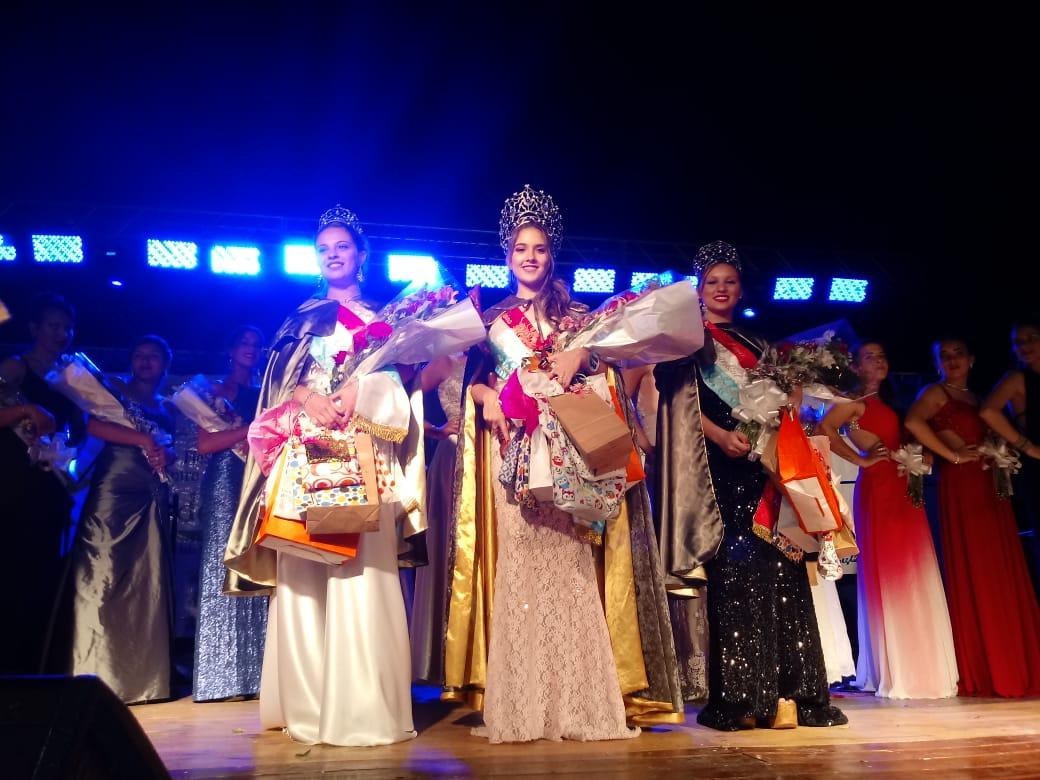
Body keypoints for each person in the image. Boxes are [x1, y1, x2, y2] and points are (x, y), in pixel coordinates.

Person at [443, 185, 683, 743]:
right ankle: (524, 703)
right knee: (519, 573)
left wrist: (581, 356)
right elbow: (471, 385)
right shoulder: (490, 319)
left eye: (540, 249)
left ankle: (577, 700)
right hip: (513, 457)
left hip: (568, 458)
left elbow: (606, 377)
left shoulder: (578, 318)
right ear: (507, 255)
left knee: (573, 570)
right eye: (520, 248)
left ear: (552, 255)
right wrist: (487, 398)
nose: (530, 257)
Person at [223, 205, 427, 746]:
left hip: (363, 451)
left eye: (342, 246)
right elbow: (276, 386)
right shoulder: (299, 319)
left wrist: (364, 389)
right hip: (306, 453)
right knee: (305, 574)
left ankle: (362, 707)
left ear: (361, 254)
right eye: (324, 248)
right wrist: (304, 396)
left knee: (361, 573)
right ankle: (308, 705)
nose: (333, 255)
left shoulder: (389, 318)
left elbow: (403, 392)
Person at [655, 241, 845, 730]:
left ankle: (794, 694)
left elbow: (782, 404)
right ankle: (740, 698)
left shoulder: (760, 345)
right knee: (736, 575)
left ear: (741, 289)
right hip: (719, 469)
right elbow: (676, 408)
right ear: (698, 291)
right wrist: (721, 436)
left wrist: (785, 419)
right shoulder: (686, 343)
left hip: (767, 471)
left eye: (730, 281)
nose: (721, 289)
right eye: (712, 282)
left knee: (783, 570)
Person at [818, 340, 958, 699]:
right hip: (879, 489)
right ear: (855, 365)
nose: (879, 361)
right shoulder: (854, 402)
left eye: (882, 355)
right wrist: (862, 460)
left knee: (915, 570)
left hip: (904, 488)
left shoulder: (890, 401)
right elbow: (824, 430)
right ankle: (896, 667)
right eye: (870, 357)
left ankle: (920, 663)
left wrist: (921, 457)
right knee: (892, 571)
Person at [905, 337, 1040, 696]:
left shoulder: (979, 398)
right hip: (963, 486)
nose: (952, 360)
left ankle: (1011, 662)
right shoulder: (936, 392)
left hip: (989, 488)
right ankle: (990, 667)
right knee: (979, 566)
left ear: (972, 359)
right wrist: (951, 455)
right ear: (936, 363)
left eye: (958, 354)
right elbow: (914, 422)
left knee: (999, 568)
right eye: (944, 356)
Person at [68, 335, 177, 703]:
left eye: (153, 356)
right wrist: (143, 440)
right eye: (139, 355)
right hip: (113, 489)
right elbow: (94, 427)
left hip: (149, 491)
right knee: (101, 573)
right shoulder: (113, 390)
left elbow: (172, 448)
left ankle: (143, 678)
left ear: (165, 364)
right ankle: (94, 672)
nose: (145, 361)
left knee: (145, 580)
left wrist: (165, 454)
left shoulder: (166, 406)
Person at [0, 293, 85, 674]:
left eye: (67, 327)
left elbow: (79, 431)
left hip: (52, 484)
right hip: (15, 481)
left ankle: (39, 665)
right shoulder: (15, 367)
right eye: (54, 325)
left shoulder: (71, 376)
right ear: (35, 328)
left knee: (44, 576)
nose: (61, 333)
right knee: (13, 572)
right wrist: (26, 410)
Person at [192, 326, 268, 702]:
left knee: (257, 567)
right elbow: (206, 444)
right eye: (243, 343)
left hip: (258, 481)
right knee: (222, 566)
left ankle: (259, 675)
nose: (250, 349)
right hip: (225, 482)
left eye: (256, 344)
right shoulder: (213, 392)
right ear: (231, 348)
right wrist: (248, 431)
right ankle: (219, 678)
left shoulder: (267, 393)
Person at [409, 353, 465, 684]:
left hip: (491, 453)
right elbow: (406, 400)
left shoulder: (493, 354)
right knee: (452, 545)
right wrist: (438, 430)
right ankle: (445, 652)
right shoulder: (445, 360)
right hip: (453, 456)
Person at [980, 316, 1040, 593]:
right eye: (1018, 342)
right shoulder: (1017, 378)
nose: (1024, 345)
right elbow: (988, 411)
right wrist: (1027, 446)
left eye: (1031, 339)